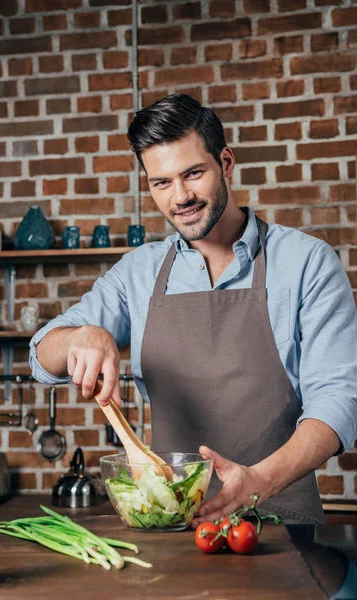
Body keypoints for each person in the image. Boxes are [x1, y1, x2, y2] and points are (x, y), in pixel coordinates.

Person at [30, 93, 357, 527]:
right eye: (161, 182)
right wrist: (79, 337)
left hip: (281, 526)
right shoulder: (139, 272)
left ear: (225, 162)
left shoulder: (307, 263)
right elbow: (42, 355)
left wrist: (259, 480)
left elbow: (338, 402)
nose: (180, 197)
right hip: (173, 527)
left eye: (193, 173)